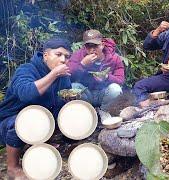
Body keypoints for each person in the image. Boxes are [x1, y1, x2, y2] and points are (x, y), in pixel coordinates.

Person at [0, 38, 72, 179]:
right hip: (11, 120)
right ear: (46, 55)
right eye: (58, 55)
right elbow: (26, 94)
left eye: (67, 57)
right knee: (23, 121)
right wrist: (54, 74)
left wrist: (70, 100)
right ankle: (12, 167)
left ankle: (41, 141)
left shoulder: (63, 76)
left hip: (42, 120)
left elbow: (64, 96)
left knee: (67, 112)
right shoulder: (26, 70)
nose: (63, 60)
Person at [68, 29, 125, 109]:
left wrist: (107, 77)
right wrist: (82, 65)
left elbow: (121, 80)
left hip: (104, 94)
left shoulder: (114, 58)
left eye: (95, 46)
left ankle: (104, 111)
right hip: (86, 94)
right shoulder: (78, 55)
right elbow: (68, 77)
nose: (92, 50)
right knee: (73, 87)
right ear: (84, 46)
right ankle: (87, 111)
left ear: (102, 44)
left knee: (115, 89)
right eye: (88, 46)